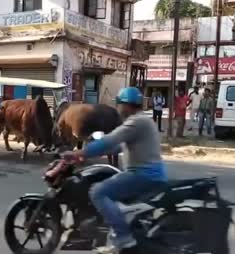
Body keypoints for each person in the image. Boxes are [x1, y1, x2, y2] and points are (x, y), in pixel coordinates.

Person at [63, 87, 168, 254]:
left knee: (98, 192)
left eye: (119, 104)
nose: (118, 108)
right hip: (148, 174)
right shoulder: (143, 121)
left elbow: (110, 139)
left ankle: (123, 237)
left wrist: (79, 153)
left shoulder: (136, 122)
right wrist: (98, 150)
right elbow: (120, 145)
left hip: (143, 175)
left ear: (126, 105)